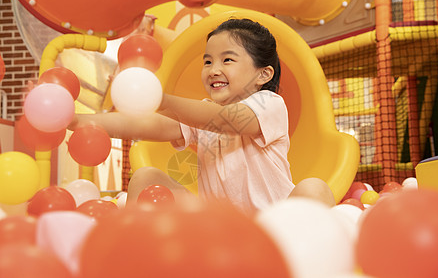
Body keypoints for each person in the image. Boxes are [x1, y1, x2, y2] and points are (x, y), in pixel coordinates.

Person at [69, 18, 335, 214]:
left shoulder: (269, 104)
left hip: (277, 230)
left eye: (227, 60)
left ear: (263, 74)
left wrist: (157, 98)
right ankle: (140, 253)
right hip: (218, 234)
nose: (213, 70)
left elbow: (224, 120)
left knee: (314, 188)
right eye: (208, 61)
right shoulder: (203, 115)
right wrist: (80, 121)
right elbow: (148, 124)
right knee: (146, 177)